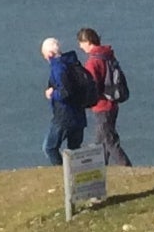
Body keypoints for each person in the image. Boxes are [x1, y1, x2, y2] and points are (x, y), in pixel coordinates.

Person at [77, 26, 133, 165]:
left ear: (88, 42)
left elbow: (92, 86)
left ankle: (126, 167)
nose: (80, 46)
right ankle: (100, 167)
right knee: (100, 140)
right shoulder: (108, 55)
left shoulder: (93, 62)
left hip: (102, 105)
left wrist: (84, 101)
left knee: (108, 140)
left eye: (81, 42)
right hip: (113, 102)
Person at [41, 37, 88, 165]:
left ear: (50, 54)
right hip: (79, 114)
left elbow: (65, 92)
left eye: (44, 55)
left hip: (64, 116)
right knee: (74, 150)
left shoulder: (58, 68)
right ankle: (75, 176)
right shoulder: (72, 63)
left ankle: (62, 172)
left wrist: (52, 94)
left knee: (49, 147)